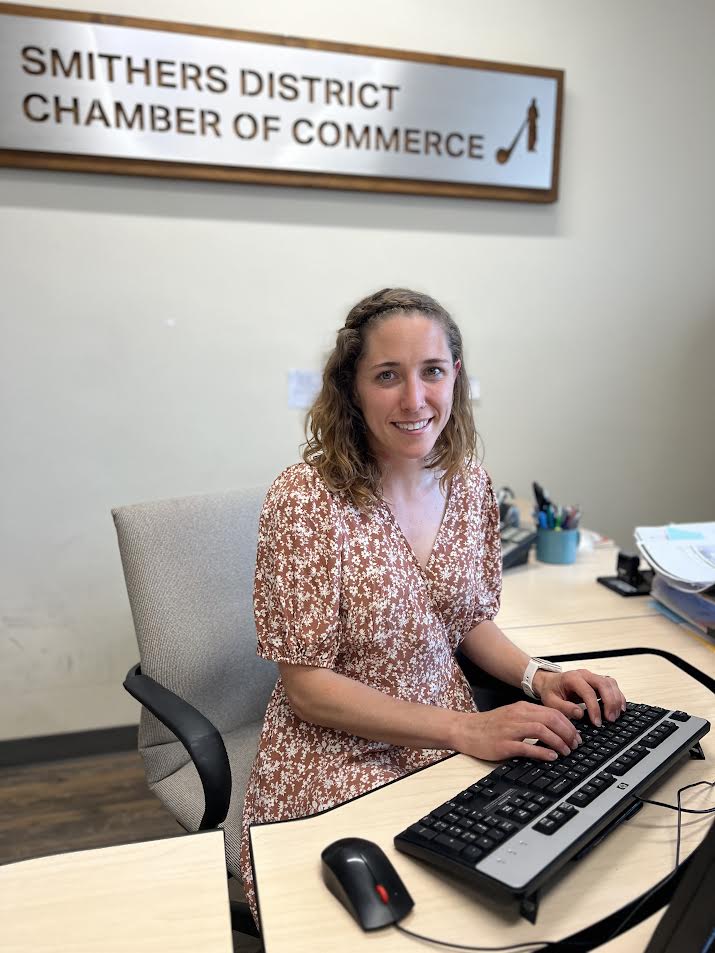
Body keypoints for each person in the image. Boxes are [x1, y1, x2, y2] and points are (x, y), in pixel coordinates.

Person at [239, 288, 625, 920]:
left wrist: (538, 677)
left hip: (449, 737)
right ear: (352, 387)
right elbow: (308, 690)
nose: (415, 399)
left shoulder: (469, 482)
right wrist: (465, 728)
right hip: (334, 753)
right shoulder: (306, 500)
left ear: (456, 377)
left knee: (530, 880)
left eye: (433, 372)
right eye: (387, 375)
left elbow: (464, 617)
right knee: (392, 917)